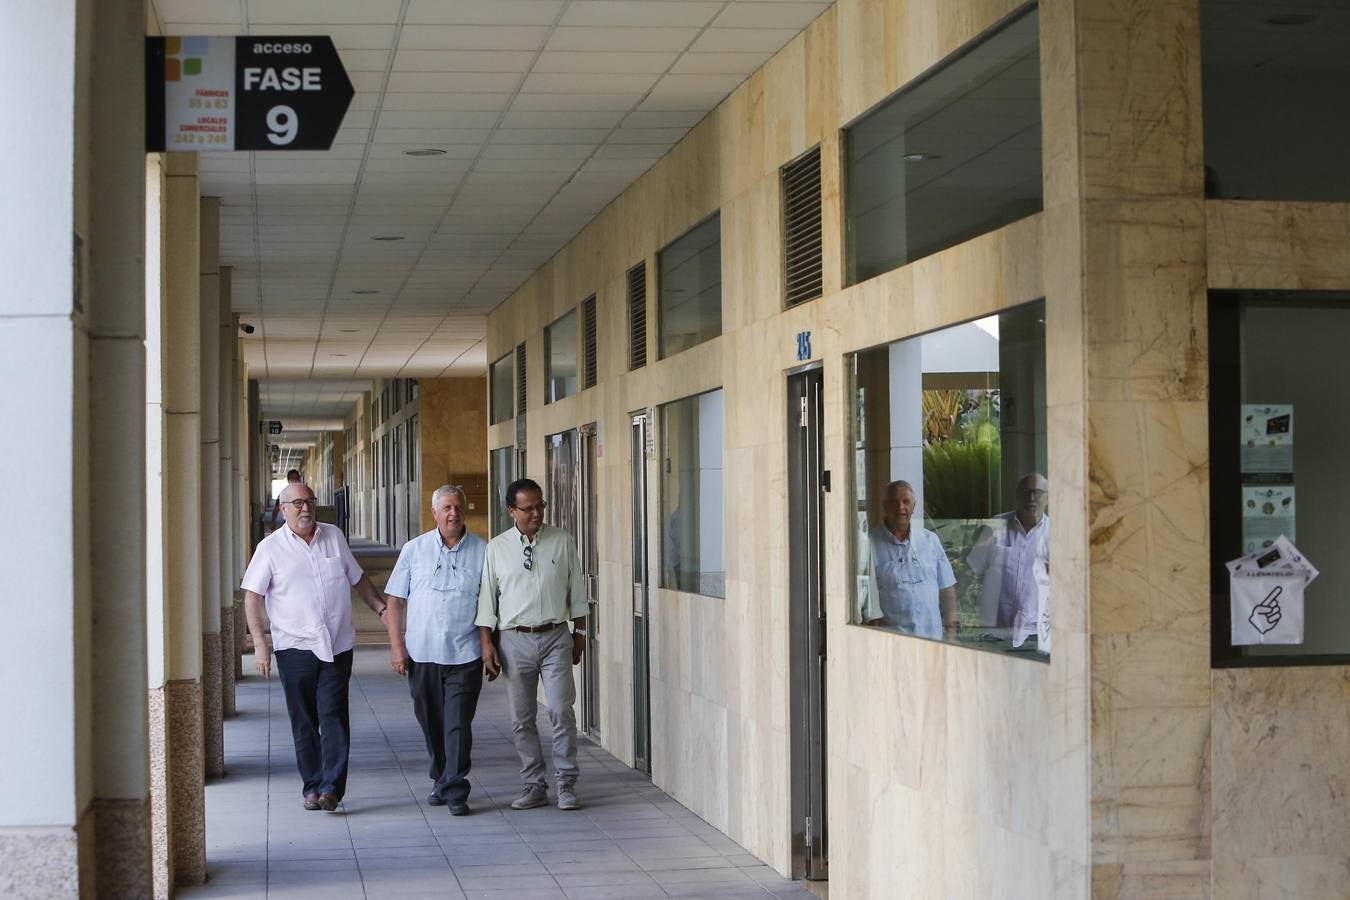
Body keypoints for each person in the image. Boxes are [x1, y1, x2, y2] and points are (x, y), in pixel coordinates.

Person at [241, 481, 387, 812]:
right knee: (304, 719)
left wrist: (380, 608)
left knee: (333, 714)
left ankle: (332, 788)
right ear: (282, 509)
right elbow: (252, 596)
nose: (305, 508)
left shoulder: (333, 536)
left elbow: (357, 578)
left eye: (309, 502)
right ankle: (312, 784)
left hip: (337, 643)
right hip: (294, 648)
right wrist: (261, 645)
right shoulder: (270, 548)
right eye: (297, 503)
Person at [477, 477, 588, 812]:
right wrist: (487, 645)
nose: (537, 513)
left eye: (541, 506)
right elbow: (487, 602)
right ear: (512, 511)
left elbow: (577, 591)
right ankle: (533, 784)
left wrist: (579, 635)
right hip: (514, 640)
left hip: (556, 636)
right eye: (529, 508)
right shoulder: (496, 548)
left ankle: (566, 783)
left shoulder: (562, 541)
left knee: (560, 710)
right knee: (522, 718)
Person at [383, 485, 487, 816]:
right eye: (446, 508)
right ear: (435, 513)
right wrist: (397, 647)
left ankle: (455, 788)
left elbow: (489, 604)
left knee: (457, 723)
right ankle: (441, 776)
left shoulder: (483, 551)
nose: (453, 513)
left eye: (458, 506)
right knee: (431, 722)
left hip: (465, 653)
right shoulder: (414, 550)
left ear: (464, 510)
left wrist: (487, 646)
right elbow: (395, 600)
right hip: (422, 652)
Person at [859, 480, 957, 638]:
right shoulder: (869, 544)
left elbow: (947, 591)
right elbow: (869, 603)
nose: (900, 507)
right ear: (885, 506)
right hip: (893, 644)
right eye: (894, 502)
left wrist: (951, 636)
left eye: (906, 501)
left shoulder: (930, 540)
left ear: (914, 506)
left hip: (932, 642)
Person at [969, 473, 1049, 649]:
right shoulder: (996, 526)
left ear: (1047, 497)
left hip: (1036, 634)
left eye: (1038, 493)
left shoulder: (1055, 534)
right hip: (995, 632)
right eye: (1026, 492)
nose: (1031, 498)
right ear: (1017, 496)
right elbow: (971, 571)